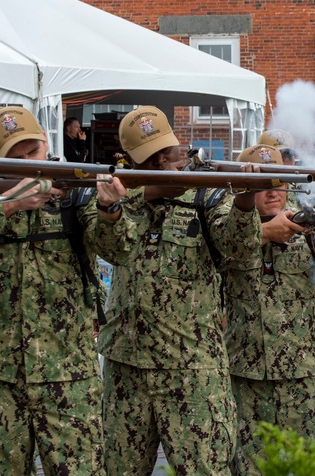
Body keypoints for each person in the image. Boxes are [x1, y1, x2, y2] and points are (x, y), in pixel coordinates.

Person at [92, 105, 261, 475]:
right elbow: (111, 248)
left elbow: (240, 248)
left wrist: (246, 200)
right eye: (150, 160)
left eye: (166, 155)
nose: (164, 164)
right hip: (126, 364)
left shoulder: (205, 196)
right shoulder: (120, 197)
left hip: (192, 368)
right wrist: (112, 208)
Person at [0, 106, 105, 475]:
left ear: (47, 143)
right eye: (15, 158)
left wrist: (111, 210)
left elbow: (117, 248)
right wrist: (13, 203)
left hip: (67, 371)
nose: (30, 163)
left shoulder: (74, 192)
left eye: (33, 152)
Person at [220, 144, 315, 475]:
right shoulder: (225, 230)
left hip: (309, 376)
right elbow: (227, 248)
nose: (273, 191)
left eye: (278, 180)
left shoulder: (311, 226)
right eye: (262, 184)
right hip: (247, 379)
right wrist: (262, 233)